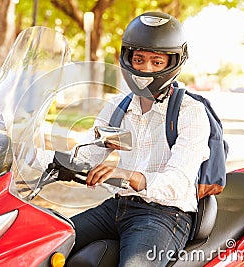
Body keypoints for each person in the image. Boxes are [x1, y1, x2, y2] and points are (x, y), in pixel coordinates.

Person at [68, 11, 211, 266]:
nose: (146, 69)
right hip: (117, 207)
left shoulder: (190, 112)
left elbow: (178, 183)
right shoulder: (117, 107)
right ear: (127, 59)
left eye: (157, 62)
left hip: (165, 214)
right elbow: (87, 155)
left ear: (173, 63)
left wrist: (129, 174)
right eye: (139, 59)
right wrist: (27, 155)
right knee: (48, 239)